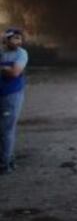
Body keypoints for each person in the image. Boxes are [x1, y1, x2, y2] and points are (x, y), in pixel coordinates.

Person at [0, 28, 28, 174]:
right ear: (6, 39)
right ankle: (8, 160)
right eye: (14, 38)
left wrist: (6, 69)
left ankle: (5, 165)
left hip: (12, 95)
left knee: (6, 130)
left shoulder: (21, 53)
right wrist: (5, 68)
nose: (18, 41)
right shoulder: (2, 52)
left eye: (19, 38)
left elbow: (15, 73)